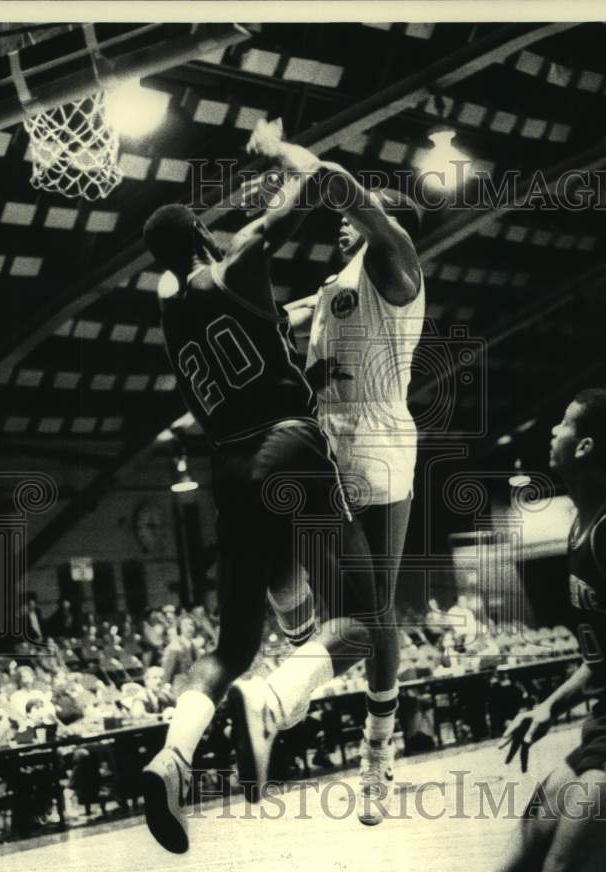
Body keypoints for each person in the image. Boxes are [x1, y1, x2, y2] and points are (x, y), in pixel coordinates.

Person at [139, 125, 378, 853]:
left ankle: (172, 756)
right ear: (203, 236)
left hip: (230, 471)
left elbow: (181, 278)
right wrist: (274, 153)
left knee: (231, 647)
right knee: (366, 614)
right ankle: (275, 699)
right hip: (288, 440)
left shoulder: (169, 307)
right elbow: (309, 188)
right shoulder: (237, 259)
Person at [255, 122, 424, 824]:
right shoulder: (330, 291)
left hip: (375, 439)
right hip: (330, 438)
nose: (341, 227)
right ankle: (302, 646)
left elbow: (336, 184)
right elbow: (267, 322)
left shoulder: (395, 262)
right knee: (262, 508)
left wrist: (280, 155)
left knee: (371, 611)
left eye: (355, 220)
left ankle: (368, 746)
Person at [488, 389, 606, 872]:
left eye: (562, 423)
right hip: (604, 725)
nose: (551, 432)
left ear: (584, 446)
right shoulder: (583, 523)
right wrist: (549, 707)